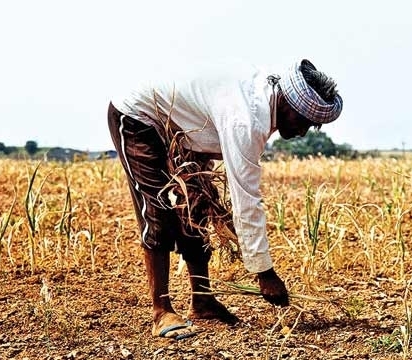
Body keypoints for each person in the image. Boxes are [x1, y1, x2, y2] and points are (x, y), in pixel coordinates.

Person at [107, 59, 343, 340]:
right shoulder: (247, 119)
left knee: (197, 206)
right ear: (288, 104)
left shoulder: (263, 100)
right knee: (157, 211)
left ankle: (202, 301)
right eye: (303, 121)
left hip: (185, 127)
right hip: (139, 117)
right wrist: (264, 272)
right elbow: (247, 200)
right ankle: (161, 311)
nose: (303, 131)